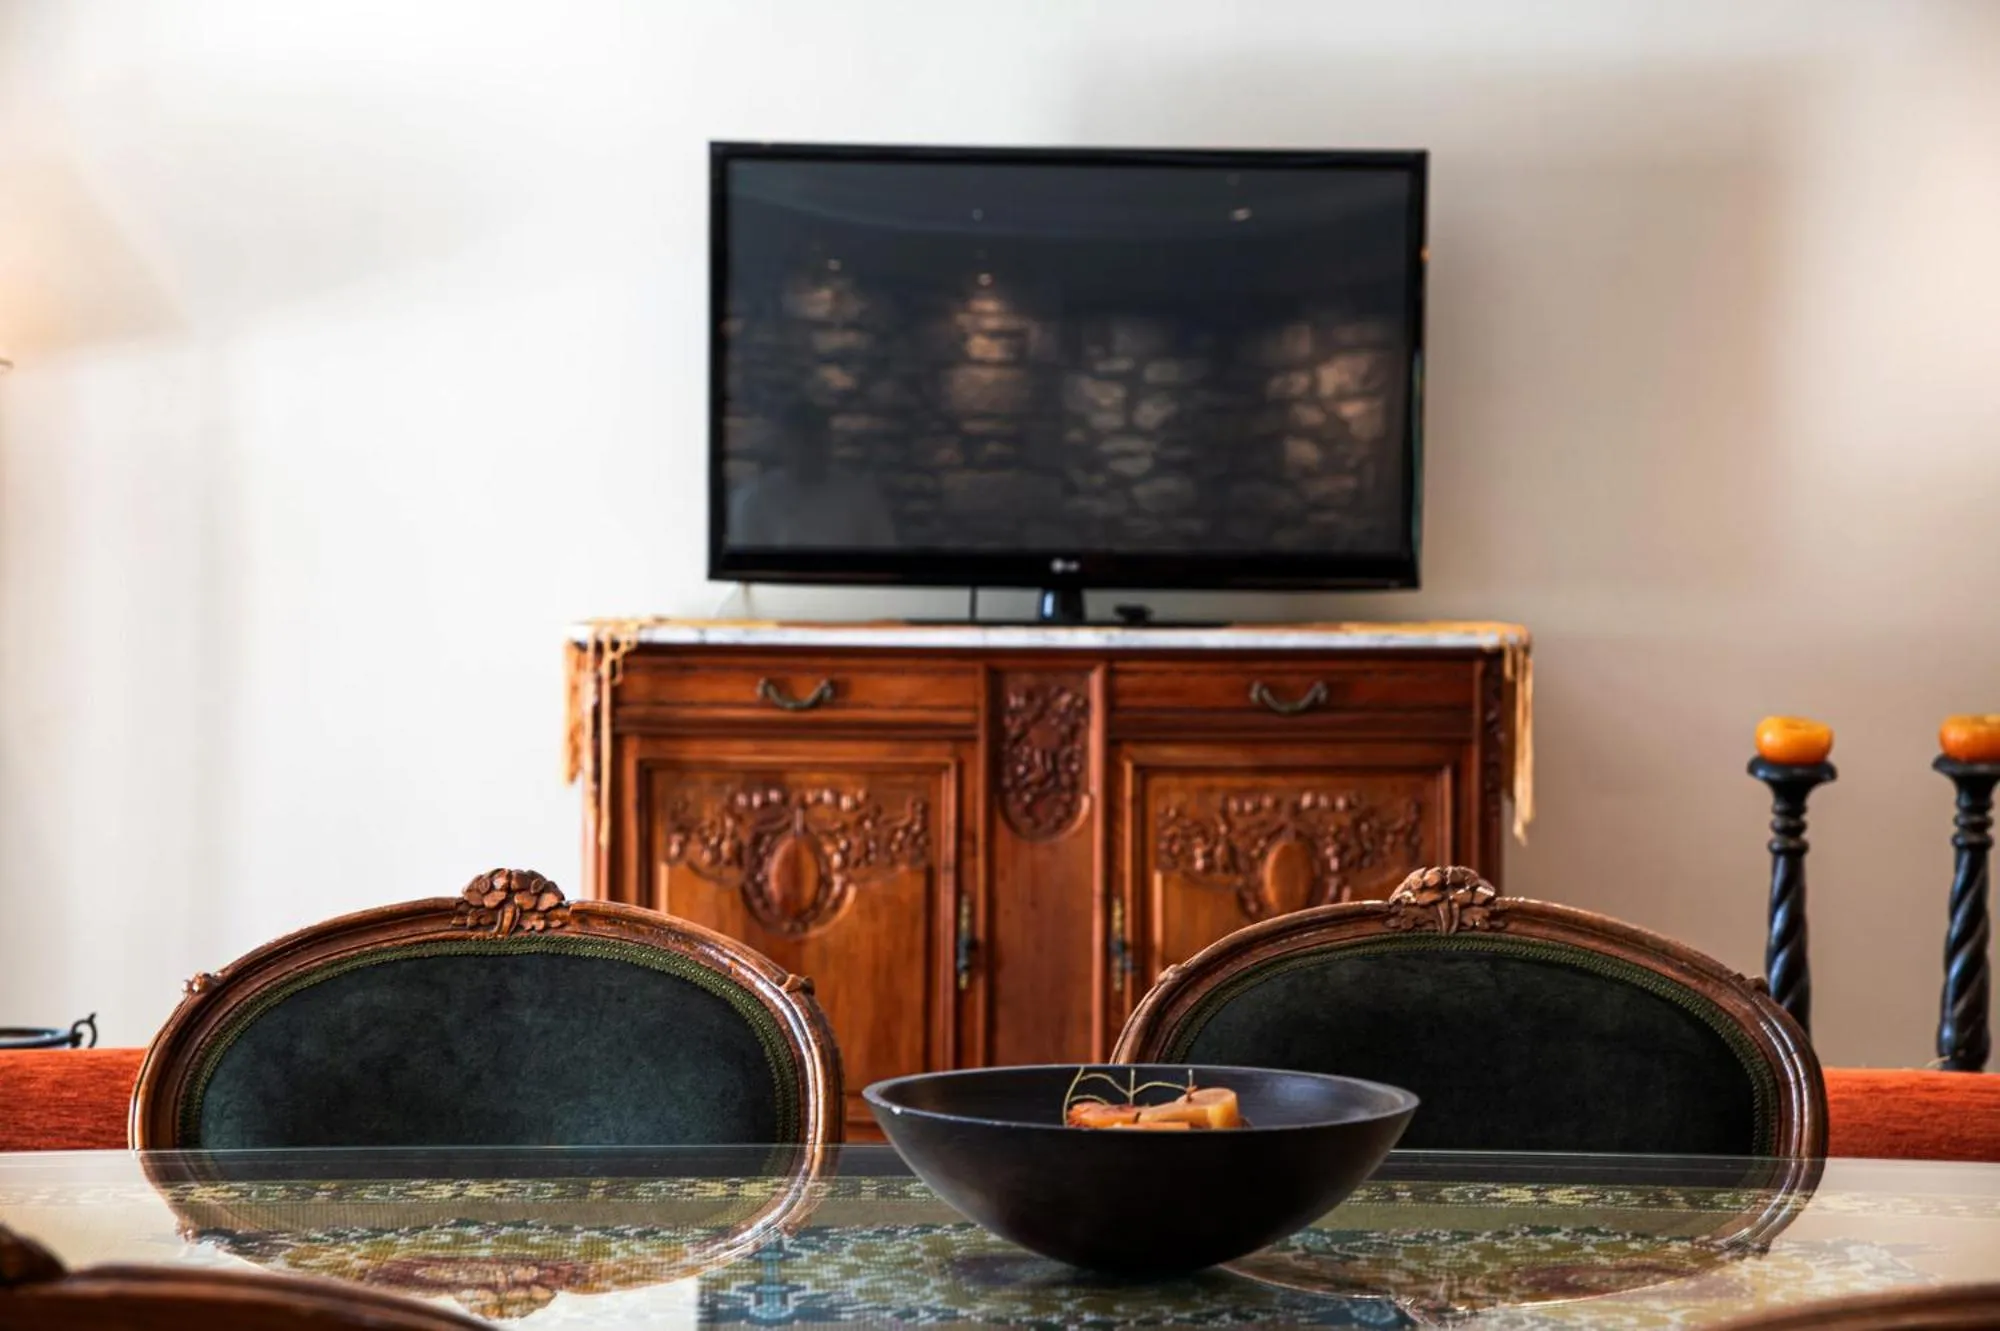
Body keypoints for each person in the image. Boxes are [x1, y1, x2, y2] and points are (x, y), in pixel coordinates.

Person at [728, 399, 899, 548]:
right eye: (803, 442)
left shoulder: (861, 497)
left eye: (819, 442)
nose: (812, 451)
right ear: (783, 444)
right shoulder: (752, 500)